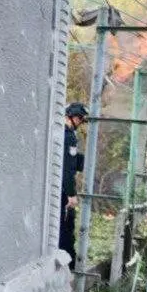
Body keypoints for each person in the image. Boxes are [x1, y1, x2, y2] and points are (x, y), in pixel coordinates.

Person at [60, 102, 87, 265]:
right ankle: (68, 262)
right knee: (66, 225)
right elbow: (68, 169)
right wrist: (71, 194)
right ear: (72, 117)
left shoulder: (60, 133)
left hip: (57, 187)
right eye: (80, 118)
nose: (80, 122)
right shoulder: (68, 136)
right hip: (63, 189)